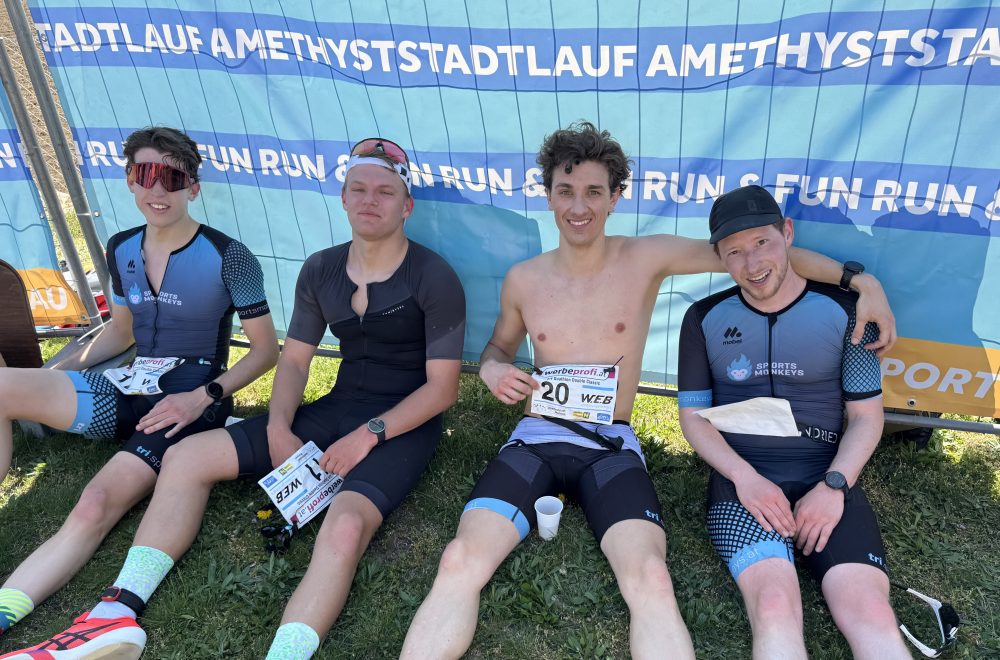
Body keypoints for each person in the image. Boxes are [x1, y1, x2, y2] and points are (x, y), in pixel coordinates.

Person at [400, 123, 896, 659]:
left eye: (594, 191)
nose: (579, 207)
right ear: (548, 196)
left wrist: (859, 282)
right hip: (537, 435)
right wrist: (494, 370)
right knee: (458, 561)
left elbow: (754, 256)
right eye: (566, 191)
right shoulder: (523, 278)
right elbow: (498, 347)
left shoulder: (646, 257)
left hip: (610, 444)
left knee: (652, 579)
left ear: (616, 197)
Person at [1, 137, 466, 660]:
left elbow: (442, 388)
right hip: (335, 409)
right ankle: (117, 610)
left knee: (345, 528)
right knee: (184, 457)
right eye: (358, 189)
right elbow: (294, 361)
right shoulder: (321, 268)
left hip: (403, 424)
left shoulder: (434, 275)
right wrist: (278, 427)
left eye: (385, 192)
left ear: (406, 206)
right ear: (342, 197)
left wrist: (369, 435)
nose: (369, 201)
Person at [0, 126, 278, 641]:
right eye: (144, 174)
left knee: (94, 503)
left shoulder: (229, 255)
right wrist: (47, 378)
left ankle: (8, 610)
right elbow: (120, 332)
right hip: (127, 388)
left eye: (172, 177)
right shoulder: (120, 246)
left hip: (188, 403)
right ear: (129, 181)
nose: (157, 188)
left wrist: (204, 397)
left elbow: (266, 351)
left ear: (193, 187)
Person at [676, 185, 908, 659]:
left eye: (762, 242)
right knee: (774, 605)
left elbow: (865, 417)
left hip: (827, 475)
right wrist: (745, 479)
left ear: (787, 233)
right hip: (743, 482)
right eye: (734, 251)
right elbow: (693, 417)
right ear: (720, 259)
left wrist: (835, 485)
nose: (752, 263)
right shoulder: (702, 318)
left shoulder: (849, 312)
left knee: (873, 613)